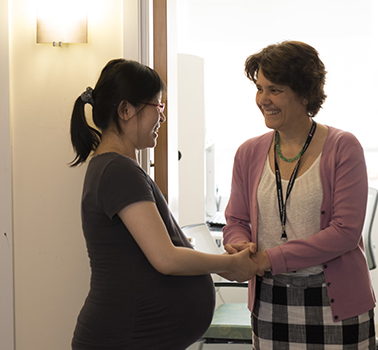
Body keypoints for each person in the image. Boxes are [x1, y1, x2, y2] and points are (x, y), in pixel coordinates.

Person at [69, 58, 264, 350]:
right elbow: (165, 258)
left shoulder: (115, 167)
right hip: (123, 337)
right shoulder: (117, 170)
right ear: (125, 110)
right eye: (158, 107)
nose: (162, 117)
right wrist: (228, 266)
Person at [223, 41, 376, 349]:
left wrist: (270, 258)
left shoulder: (344, 148)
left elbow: (345, 233)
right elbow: (236, 219)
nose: (263, 99)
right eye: (259, 88)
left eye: (275, 90)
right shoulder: (248, 153)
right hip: (270, 299)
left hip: (334, 304)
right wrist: (237, 243)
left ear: (305, 93)